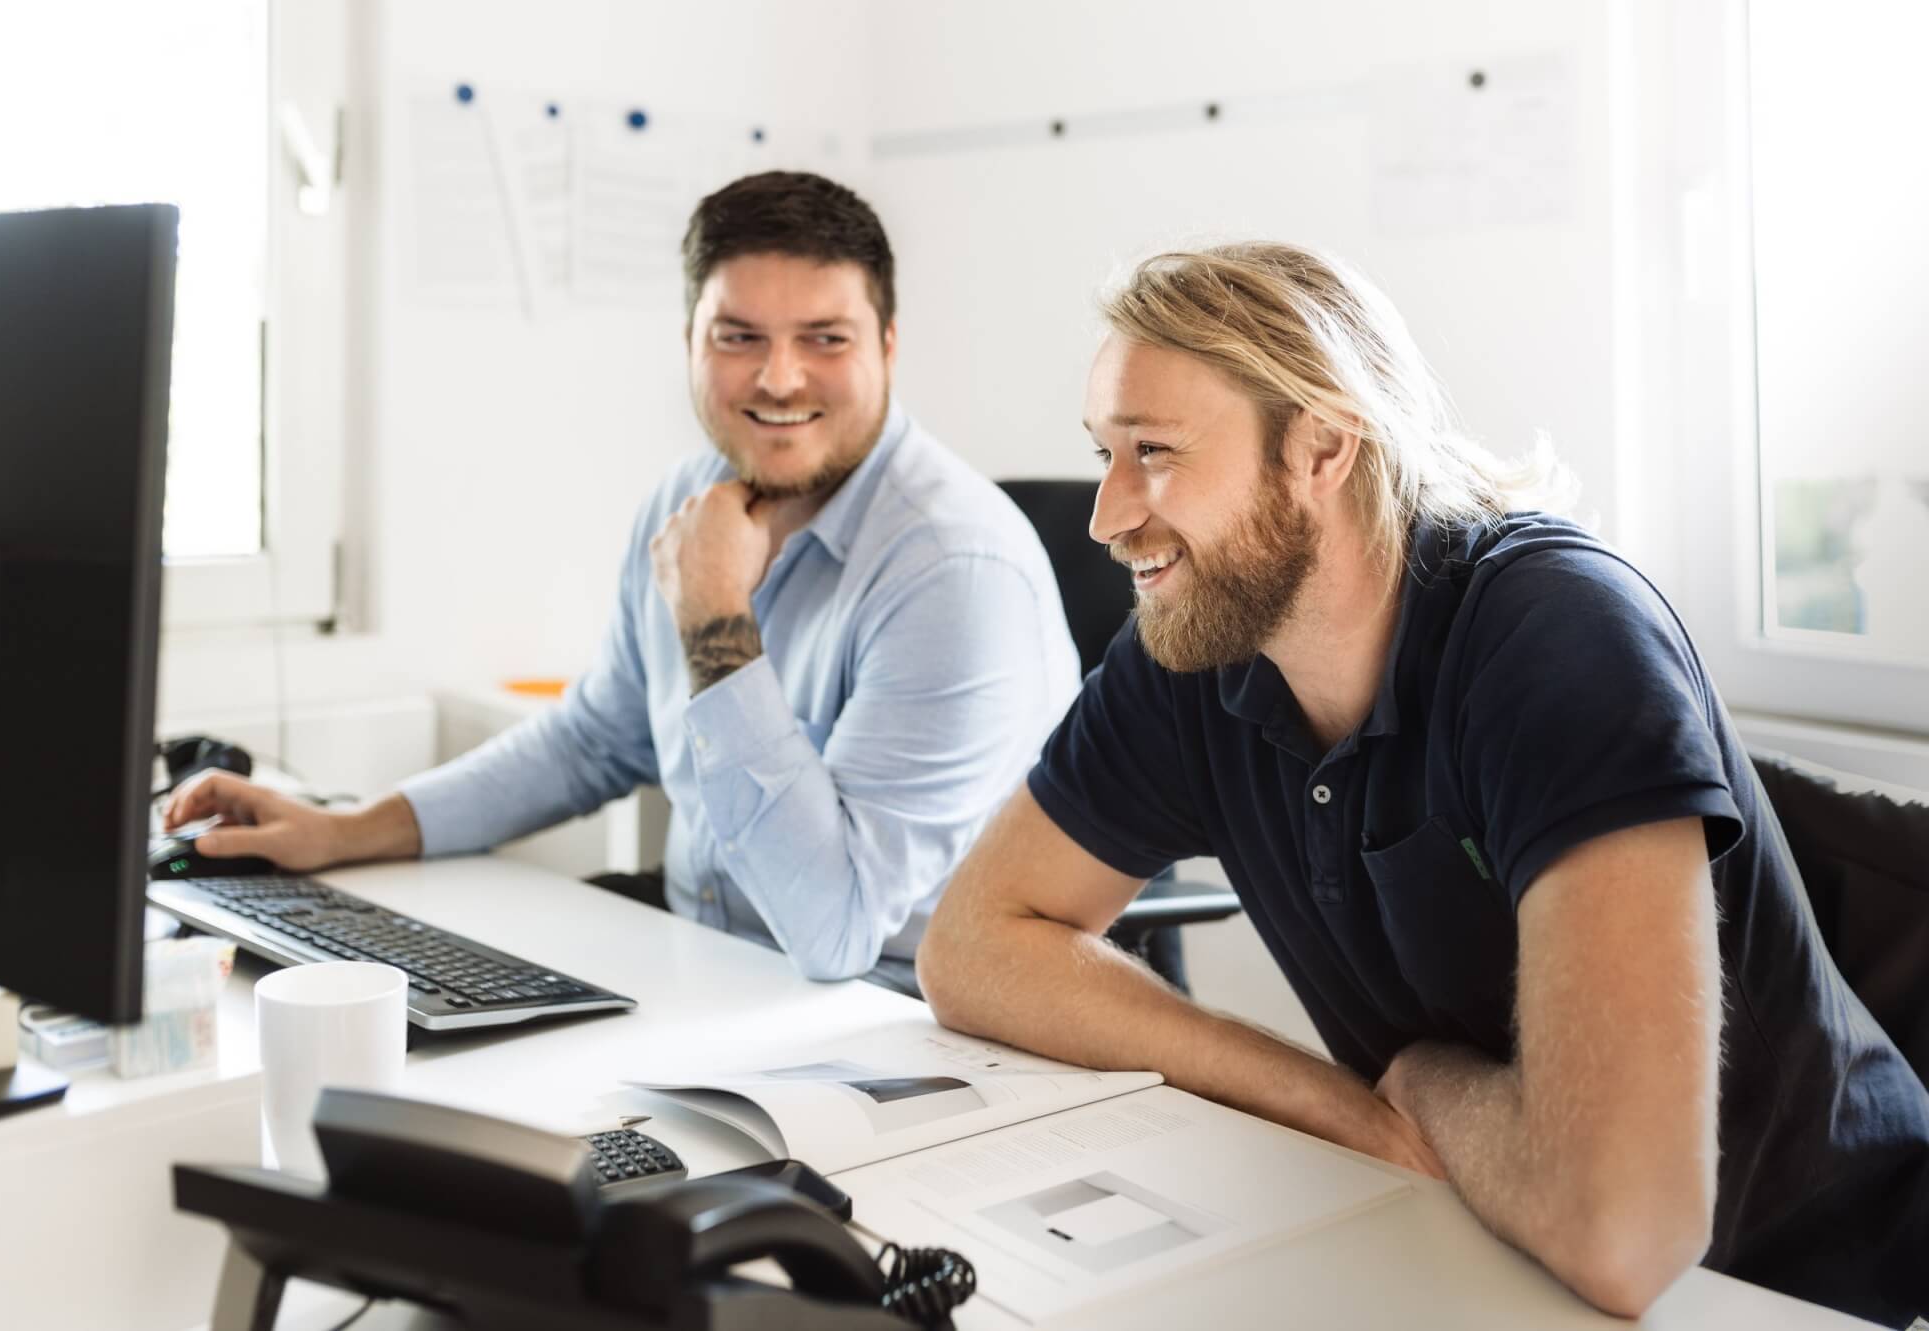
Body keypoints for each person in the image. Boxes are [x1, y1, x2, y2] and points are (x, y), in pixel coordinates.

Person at [915, 242, 1929, 1324]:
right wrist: (1330, 1101)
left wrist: (1420, 1082)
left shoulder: (1555, 637)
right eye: (1104, 452)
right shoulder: (1196, 648)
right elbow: (971, 943)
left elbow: (1624, 1228)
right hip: (1476, 1245)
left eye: (1153, 452)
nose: (1106, 514)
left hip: (1792, 1290)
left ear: (1320, 447)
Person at [165, 171, 1079, 991]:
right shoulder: (686, 502)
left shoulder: (953, 570)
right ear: (689, 341)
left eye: (825, 337)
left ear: (886, 343)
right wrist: (345, 829)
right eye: (739, 336)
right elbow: (593, 740)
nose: (779, 375)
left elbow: (834, 929)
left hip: (896, 1017)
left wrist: (716, 619)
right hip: (705, 957)